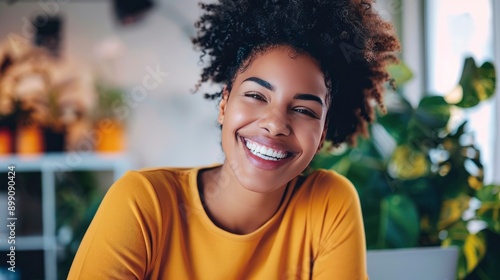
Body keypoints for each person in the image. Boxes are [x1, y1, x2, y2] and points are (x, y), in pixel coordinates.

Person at [68, 0, 399, 279]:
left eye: (304, 110)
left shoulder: (329, 205)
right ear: (224, 105)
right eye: (256, 94)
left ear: (323, 132)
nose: (275, 124)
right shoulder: (142, 203)